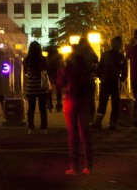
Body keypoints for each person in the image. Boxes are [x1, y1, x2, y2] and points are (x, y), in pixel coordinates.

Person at [57, 41, 96, 175]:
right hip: (84, 100)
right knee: (85, 133)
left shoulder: (68, 63)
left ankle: (75, 167)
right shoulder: (88, 66)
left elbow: (61, 82)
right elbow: (91, 86)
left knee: (72, 133)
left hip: (71, 99)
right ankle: (89, 166)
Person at [92, 35, 127, 130]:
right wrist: (122, 79)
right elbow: (124, 70)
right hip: (115, 81)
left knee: (102, 102)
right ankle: (113, 123)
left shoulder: (105, 55)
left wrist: (100, 76)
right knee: (115, 103)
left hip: (105, 81)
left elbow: (99, 67)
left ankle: (98, 122)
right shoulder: (120, 57)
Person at [22, 41, 51, 134]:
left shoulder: (26, 60)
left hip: (31, 87)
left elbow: (25, 72)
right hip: (42, 87)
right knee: (43, 109)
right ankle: (44, 128)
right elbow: (46, 70)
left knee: (31, 109)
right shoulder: (43, 60)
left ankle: (30, 128)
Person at [45, 44, 63, 112]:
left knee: (49, 91)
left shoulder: (47, 58)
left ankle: (49, 105)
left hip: (49, 75)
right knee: (59, 90)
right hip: (57, 75)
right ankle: (59, 105)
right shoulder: (59, 56)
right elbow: (61, 65)